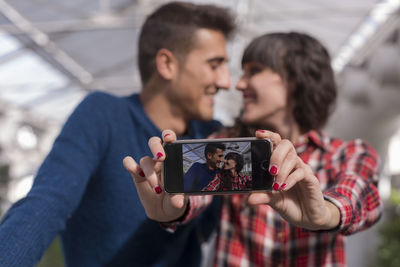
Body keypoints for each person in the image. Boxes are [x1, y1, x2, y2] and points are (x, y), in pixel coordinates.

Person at [0, 2, 235, 266]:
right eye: (215, 65)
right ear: (167, 64)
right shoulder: (104, 114)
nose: (226, 82)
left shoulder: (212, 136)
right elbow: (47, 203)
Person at [124, 32, 382, 266]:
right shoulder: (229, 144)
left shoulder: (347, 153)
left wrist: (325, 213)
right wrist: (175, 207)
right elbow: (199, 193)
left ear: (296, 78)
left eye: (254, 71)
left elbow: (361, 196)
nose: (239, 84)